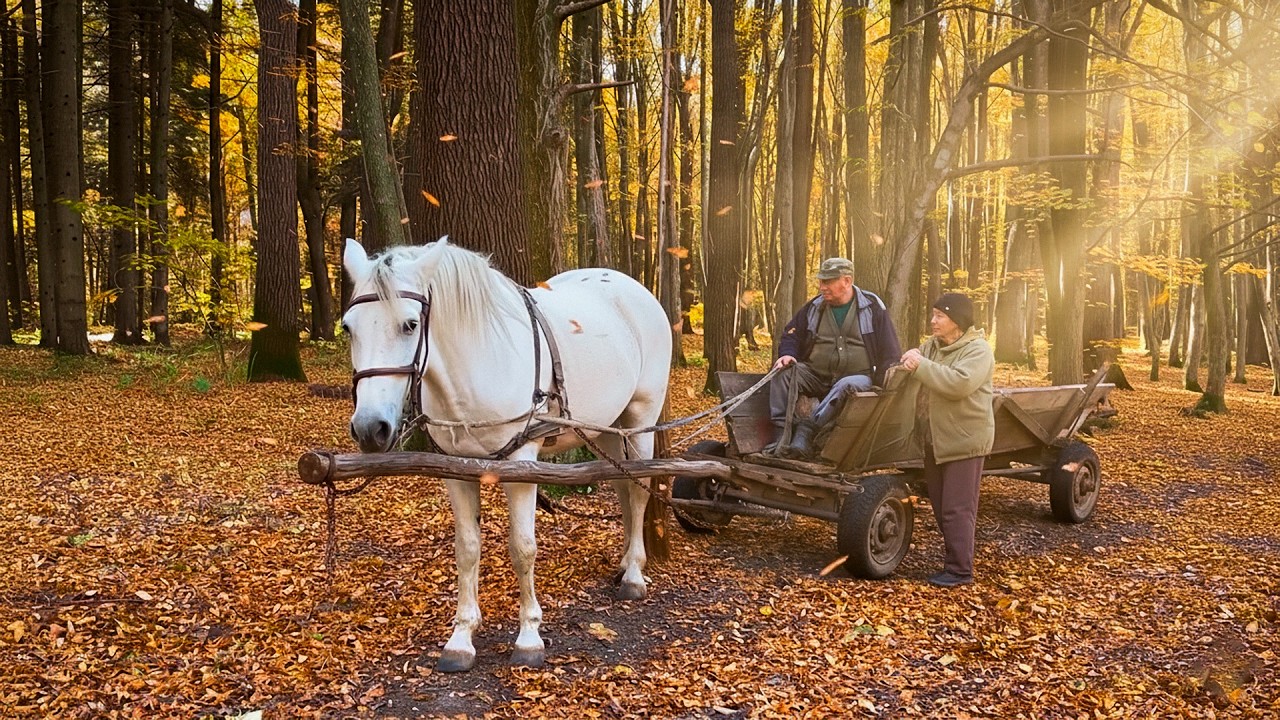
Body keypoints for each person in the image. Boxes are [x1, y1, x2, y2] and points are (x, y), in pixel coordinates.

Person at [898, 292, 995, 588]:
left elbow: (959, 383)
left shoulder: (977, 351)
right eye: (933, 314)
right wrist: (910, 358)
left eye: (940, 315)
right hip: (936, 439)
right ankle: (955, 560)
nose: (933, 321)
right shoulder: (934, 346)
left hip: (964, 440)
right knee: (942, 506)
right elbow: (918, 362)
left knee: (957, 508)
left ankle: (960, 570)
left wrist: (920, 366)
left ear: (958, 321)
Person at [767, 257, 902, 459]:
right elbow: (791, 334)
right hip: (816, 375)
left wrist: (884, 383)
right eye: (821, 281)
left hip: (857, 377)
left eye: (828, 281)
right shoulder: (814, 307)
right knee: (783, 372)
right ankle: (779, 435)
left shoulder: (871, 307)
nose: (822, 287)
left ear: (846, 281)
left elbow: (889, 349)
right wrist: (788, 354)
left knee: (846, 384)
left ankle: (807, 431)